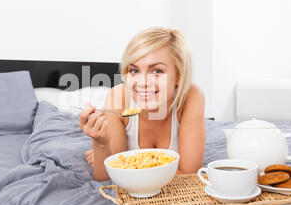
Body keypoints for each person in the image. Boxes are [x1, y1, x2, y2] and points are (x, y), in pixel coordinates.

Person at [79, 27, 205, 181]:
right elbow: (107, 180)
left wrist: (128, 170)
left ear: (178, 75)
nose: (143, 83)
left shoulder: (192, 96)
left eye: (157, 71)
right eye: (134, 70)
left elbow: (189, 175)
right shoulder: (117, 98)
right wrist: (100, 146)